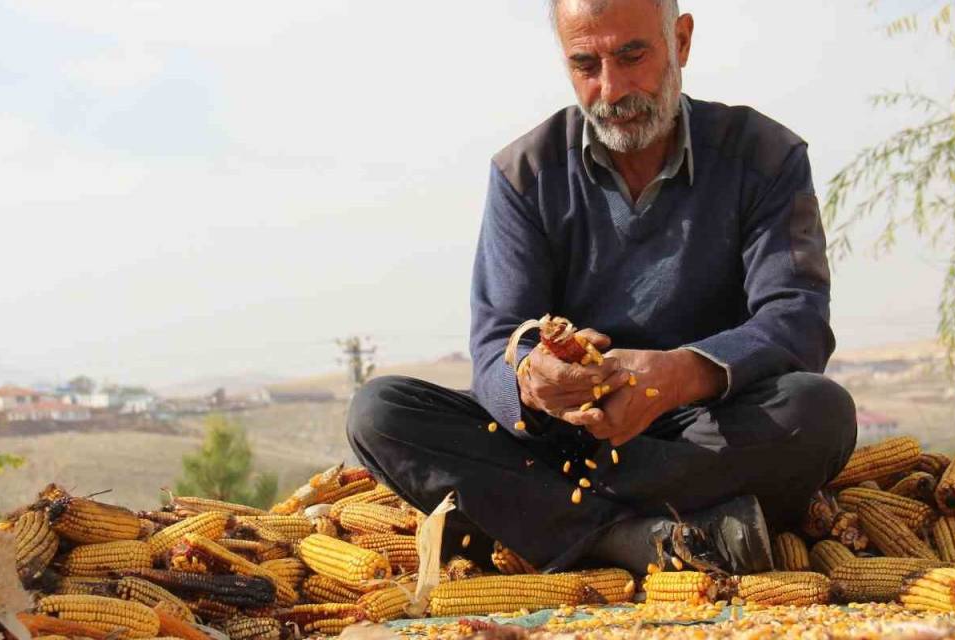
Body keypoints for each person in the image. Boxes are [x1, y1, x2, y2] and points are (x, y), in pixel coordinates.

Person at [347, 0, 857, 575]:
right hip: (564, 442)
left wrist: (677, 376)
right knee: (379, 412)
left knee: (820, 412)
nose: (612, 90)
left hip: (698, 431)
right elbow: (495, 345)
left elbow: (798, 318)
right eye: (586, 65)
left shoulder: (764, 155)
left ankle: (554, 525)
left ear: (682, 42)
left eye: (632, 55)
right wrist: (534, 384)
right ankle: (635, 538)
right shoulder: (526, 172)